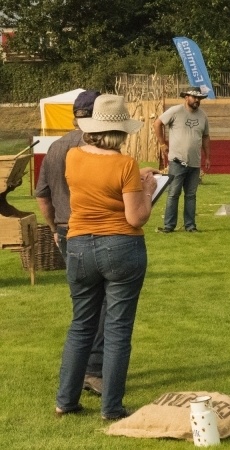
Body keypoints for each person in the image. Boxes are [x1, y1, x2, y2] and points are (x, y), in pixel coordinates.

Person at [55, 94, 158, 420]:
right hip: (121, 247)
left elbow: (97, 180)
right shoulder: (124, 165)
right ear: (122, 131)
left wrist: (135, 179)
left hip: (79, 246)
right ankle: (111, 407)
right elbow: (136, 217)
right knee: (116, 330)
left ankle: (65, 401)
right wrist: (148, 189)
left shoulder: (72, 156)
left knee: (81, 327)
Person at [35, 90, 105, 396]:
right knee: (101, 305)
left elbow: (43, 195)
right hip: (96, 229)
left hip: (65, 229)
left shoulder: (56, 147)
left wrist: (52, 227)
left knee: (82, 305)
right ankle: (93, 370)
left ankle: (74, 379)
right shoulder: (98, 146)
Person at [153, 87, 211, 233]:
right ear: (186, 97)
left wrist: (208, 157)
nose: (197, 100)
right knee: (173, 193)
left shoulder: (203, 116)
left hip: (194, 162)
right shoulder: (176, 111)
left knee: (191, 195)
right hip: (177, 161)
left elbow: (205, 137)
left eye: (199, 98)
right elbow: (157, 123)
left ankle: (190, 226)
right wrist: (162, 143)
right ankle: (169, 226)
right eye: (194, 97)